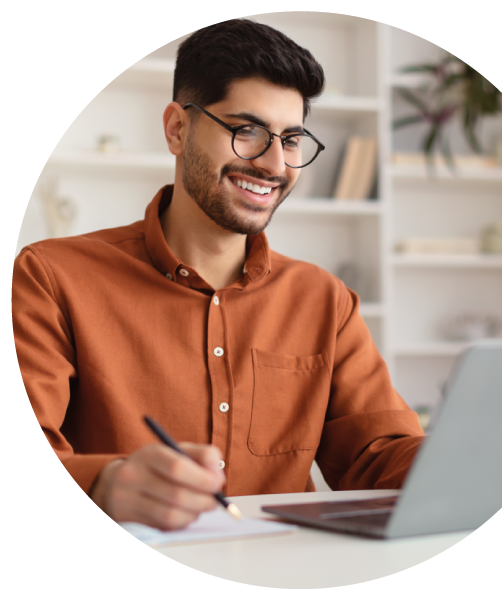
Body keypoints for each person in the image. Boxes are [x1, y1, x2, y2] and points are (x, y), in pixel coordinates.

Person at [12, 19, 424, 531]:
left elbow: (375, 455)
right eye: (245, 130)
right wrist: (106, 483)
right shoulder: (53, 277)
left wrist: (464, 463)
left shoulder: (325, 299)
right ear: (177, 129)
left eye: (291, 138)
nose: (275, 164)